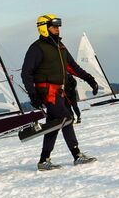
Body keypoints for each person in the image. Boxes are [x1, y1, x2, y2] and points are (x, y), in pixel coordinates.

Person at [20, 15, 99, 170]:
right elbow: (26, 73)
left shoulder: (60, 46)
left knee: (54, 124)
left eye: (58, 26)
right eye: (54, 26)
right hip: (47, 91)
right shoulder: (37, 48)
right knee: (67, 118)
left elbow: (73, 67)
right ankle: (76, 155)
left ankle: (44, 160)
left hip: (59, 92)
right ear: (44, 28)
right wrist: (33, 94)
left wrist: (90, 79)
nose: (57, 29)